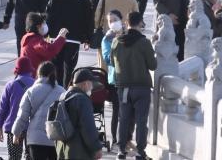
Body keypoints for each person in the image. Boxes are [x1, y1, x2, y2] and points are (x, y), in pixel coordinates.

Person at [112, 11, 156, 160]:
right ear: (140, 23)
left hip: (123, 87)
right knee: (141, 120)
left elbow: (112, 62)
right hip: (141, 88)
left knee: (123, 118)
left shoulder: (116, 42)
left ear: (126, 23)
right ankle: (139, 151)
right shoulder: (144, 42)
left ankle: (121, 150)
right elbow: (153, 65)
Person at [47, 0, 93, 87]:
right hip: (73, 39)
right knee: (69, 69)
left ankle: (56, 91)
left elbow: (48, 16)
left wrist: (48, 35)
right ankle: (65, 91)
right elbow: (88, 20)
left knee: (57, 68)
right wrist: (88, 38)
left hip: (56, 38)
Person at [12, 61, 65, 160]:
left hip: (35, 139)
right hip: (56, 138)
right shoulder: (62, 92)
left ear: (38, 74)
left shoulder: (31, 91)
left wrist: (16, 133)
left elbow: (22, 116)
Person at [55, 69, 104, 160]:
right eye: (91, 84)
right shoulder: (82, 100)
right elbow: (88, 128)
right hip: (78, 152)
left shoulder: (63, 96)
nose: (92, 88)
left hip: (62, 149)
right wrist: (96, 148)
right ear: (85, 84)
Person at [93, 0, 138, 69]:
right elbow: (137, 22)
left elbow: (97, 19)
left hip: (106, 36)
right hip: (126, 39)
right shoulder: (131, 1)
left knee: (104, 69)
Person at [0, 57, 36, 160]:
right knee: (31, 156)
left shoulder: (10, 85)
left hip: (13, 127)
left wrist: (0, 126)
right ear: (30, 69)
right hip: (31, 127)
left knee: (14, 157)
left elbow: (3, 107)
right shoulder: (36, 84)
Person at [99, 9, 125, 145]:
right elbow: (108, 59)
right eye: (110, 21)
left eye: (115, 20)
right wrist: (116, 44)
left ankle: (126, 137)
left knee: (127, 110)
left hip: (131, 77)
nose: (113, 23)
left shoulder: (129, 34)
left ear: (121, 19)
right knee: (117, 109)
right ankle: (115, 138)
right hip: (115, 78)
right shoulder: (107, 39)